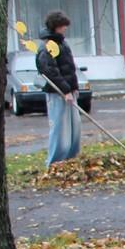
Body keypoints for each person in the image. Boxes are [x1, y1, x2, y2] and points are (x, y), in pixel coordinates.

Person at [35, 10, 81, 167]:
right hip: (57, 93)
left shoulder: (63, 43)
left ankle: (71, 160)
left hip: (69, 92)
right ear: (56, 26)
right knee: (60, 129)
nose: (65, 28)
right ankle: (55, 163)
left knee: (74, 127)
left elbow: (69, 68)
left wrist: (73, 87)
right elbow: (50, 71)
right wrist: (65, 90)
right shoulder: (47, 46)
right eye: (63, 26)